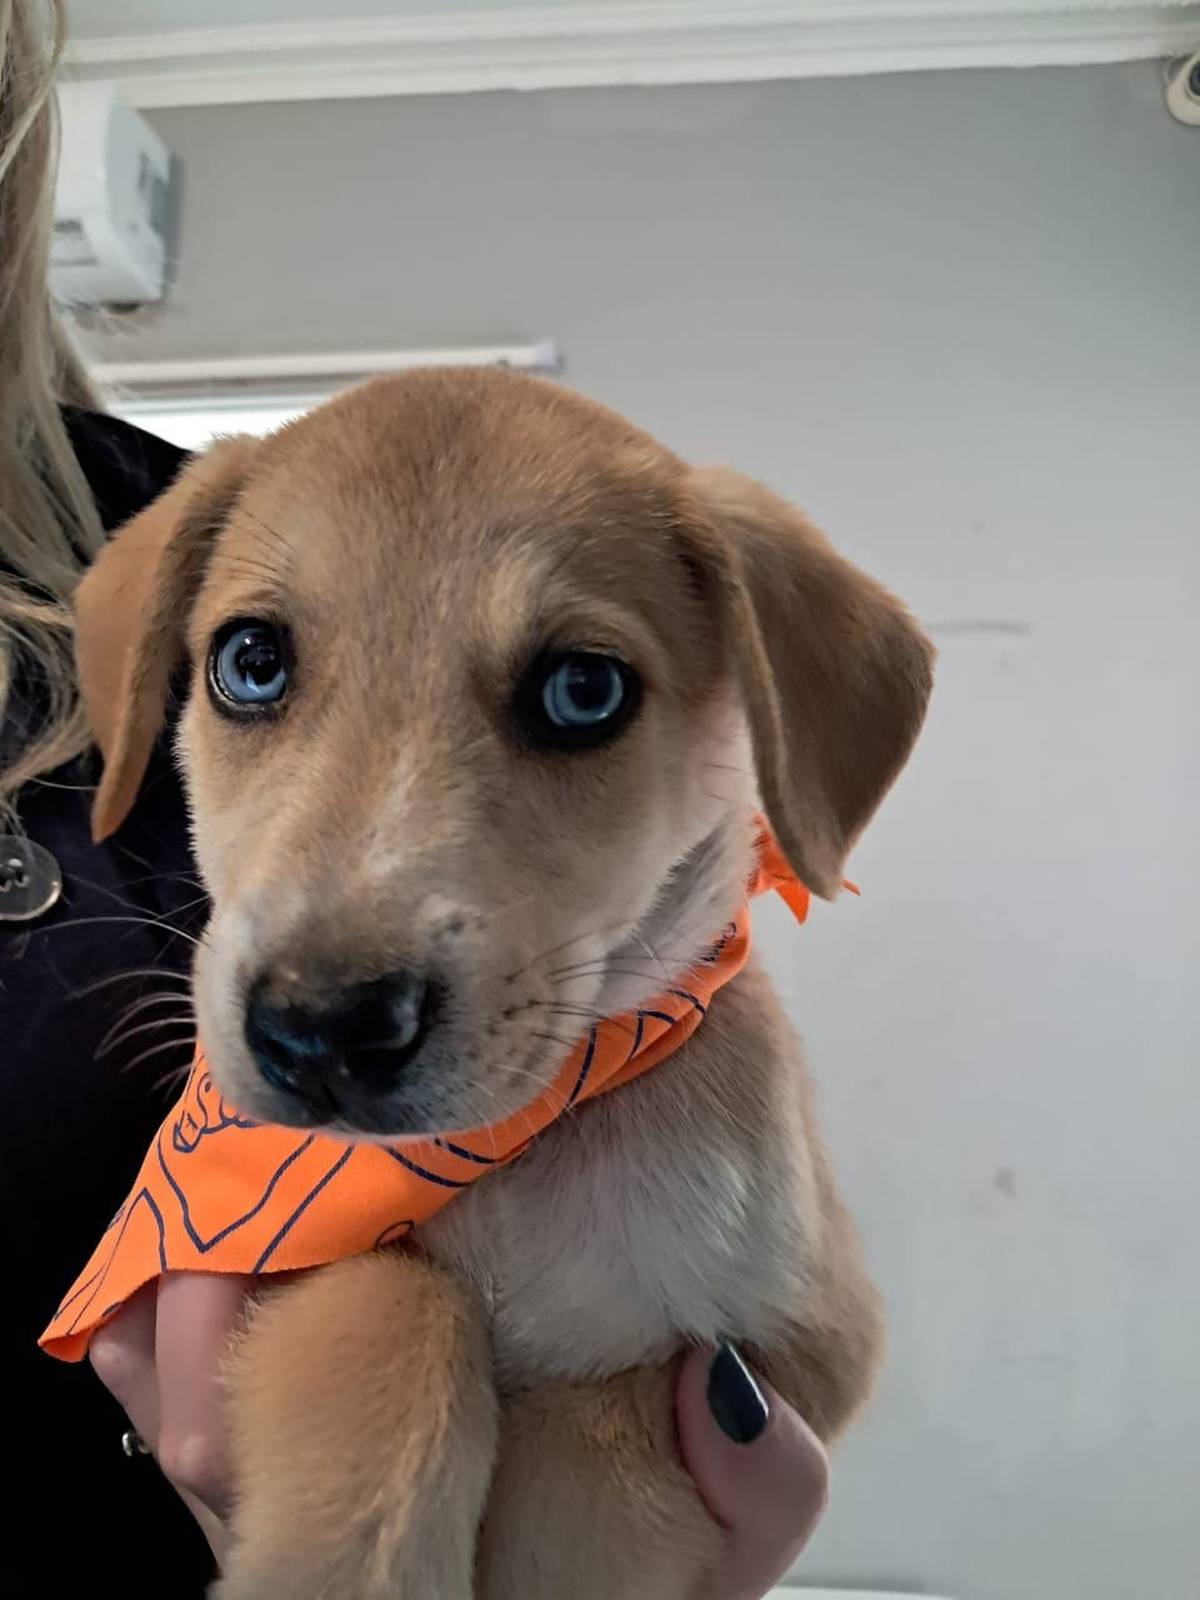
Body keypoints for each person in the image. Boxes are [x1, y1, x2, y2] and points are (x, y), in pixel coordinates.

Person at [0, 3, 829, 1593]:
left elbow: (806, 1344)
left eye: (575, 692)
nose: (353, 892)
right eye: (256, 668)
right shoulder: (176, 551)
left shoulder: (131, 506)